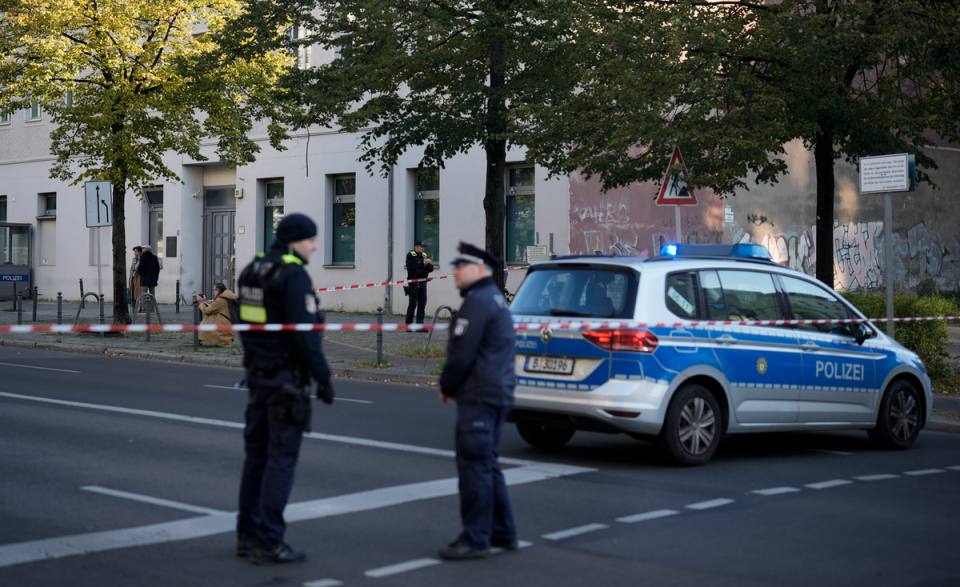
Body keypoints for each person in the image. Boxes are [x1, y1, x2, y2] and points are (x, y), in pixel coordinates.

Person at [235, 213, 334, 565]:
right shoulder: (293, 275)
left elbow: (244, 325)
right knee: (281, 461)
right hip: (285, 381)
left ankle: (246, 535)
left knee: (257, 459)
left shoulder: (253, 270)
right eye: (310, 240)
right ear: (294, 240)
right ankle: (270, 541)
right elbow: (304, 334)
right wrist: (323, 377)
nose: (315, 245)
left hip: (258, 376)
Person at [437, 242, 518, 561]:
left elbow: (461, 353)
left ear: (479, 269)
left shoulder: (477, 302)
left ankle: (475, 537)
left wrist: (447, 385)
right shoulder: (494, 299)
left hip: (480, 395)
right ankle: (503, 531)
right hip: (496, 393)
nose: (454, 271)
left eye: (460, 265)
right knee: (487, 465)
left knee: (474, 468)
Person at [196, 282, 238, 347]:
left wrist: (201, 303)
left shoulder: (220, 299)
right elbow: (215, 306)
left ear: (217, 290)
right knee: (212, 316)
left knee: (210, 317)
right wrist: (206, 301)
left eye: (214, 290)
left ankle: (200, 337)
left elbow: (206, 311)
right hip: (230, 322)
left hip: (224, 323)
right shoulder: (227, 296)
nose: (213, 292)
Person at [404, 240, 434, 328]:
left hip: (423, 283)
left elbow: (431, 269)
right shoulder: (410, 255)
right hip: (413, 283)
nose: (423, 248)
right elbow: (410, 267)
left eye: (423, 247)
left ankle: (419, 326)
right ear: (416, 247)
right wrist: (422, 263)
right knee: (412, 305)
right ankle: (408, 326)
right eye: (421, 247)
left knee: (422, 305)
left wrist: (427, 263)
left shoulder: (424, 256)